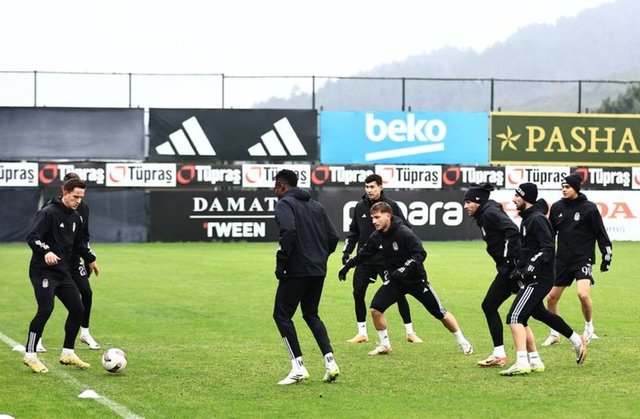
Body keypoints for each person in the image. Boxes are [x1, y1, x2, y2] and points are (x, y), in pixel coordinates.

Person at [339, 202, 473, 356]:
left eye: (377, 217)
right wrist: (347, 266)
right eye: (372, 218)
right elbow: (364, 254)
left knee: (439, 313)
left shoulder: (404, 232)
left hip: (416, 281)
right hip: (396, 281)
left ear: (388, 216)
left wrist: (405, 268)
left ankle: (462, 341)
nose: (374, 221)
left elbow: (420, 254)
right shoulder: (376, 236)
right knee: (376, 309)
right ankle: (385, 345)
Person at [501, 183, 587, 376]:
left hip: (539, 278)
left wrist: (531, 266)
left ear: (526, 198)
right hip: (535, 276)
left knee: (515, 317)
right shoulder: (528, 219)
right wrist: (520, 268)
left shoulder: (537, 219)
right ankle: (569, 343)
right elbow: (529, 249)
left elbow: (547, 247)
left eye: (517, 195)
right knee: (537, 314)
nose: (514, 199)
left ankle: (522, 361)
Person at [464, 183, 544, 370]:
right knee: (492, 306)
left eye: (468, 202)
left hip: (512, 270)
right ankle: (503, 354)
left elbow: (512, 231)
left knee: (530, 314)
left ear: (478, 201)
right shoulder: (484, 214)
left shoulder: (490, 213)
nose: (465, 206)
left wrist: (508, 260)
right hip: (506, 270)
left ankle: (572, 339)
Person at [23, 178, 99, 373]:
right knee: (46, 309)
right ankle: (30, 354)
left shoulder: (77, 218)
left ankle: (68, 352)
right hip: (42, 271)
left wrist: (90, 258)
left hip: (62, 271)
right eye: (75, 196)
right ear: (65, 192)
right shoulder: (48, 212)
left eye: (81, 197)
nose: (78, 201)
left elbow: (79, 244)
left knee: (78, 309)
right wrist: (46, 251)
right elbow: (32, 237)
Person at [272, 169, 341, 385]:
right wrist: (320, 257)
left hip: (297, 270)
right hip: (318, 270)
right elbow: (333, 237)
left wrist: (282, 263)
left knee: (282, 315)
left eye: (275, 186)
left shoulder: (284, 204)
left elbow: (288, 231)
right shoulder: (317, 206)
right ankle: (330, 363)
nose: (274, 190)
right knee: (311, 314)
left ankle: (298, 367)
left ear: (282, 186)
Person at [342, 174, 423, 344]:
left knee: (399, 294)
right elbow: (354, 232)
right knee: (358, 292)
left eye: (372, 186)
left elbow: (405, 228)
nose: (369, 190)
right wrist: (347, 252)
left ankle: (410, 332)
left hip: (386, 259)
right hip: (365, 258)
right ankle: (362, 333)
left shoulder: (391, 206)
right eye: (366, 187)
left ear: (380, 187)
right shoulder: (359, 207)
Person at [542, 172, 613, 346]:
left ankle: (589, 327)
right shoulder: (557, 207)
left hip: (583, 259)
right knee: (551, 298)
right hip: (562, 260)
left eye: (567, 187)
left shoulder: (589, 208)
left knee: (582, 294)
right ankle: (555, 333)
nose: (564, 190)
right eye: (562, 187)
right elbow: (550, 234)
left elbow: (600, 233)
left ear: (576, 188)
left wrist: (606, 257)